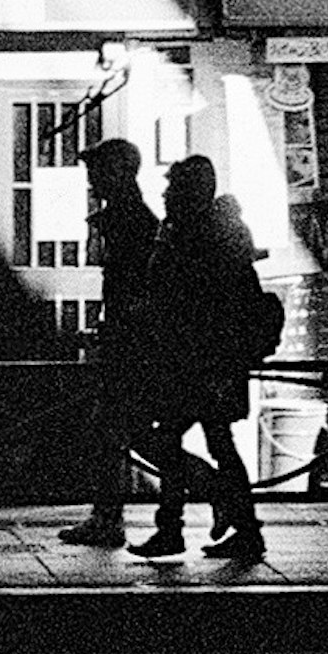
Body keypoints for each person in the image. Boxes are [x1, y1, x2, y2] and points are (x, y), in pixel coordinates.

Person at [130, 152, 271, 563]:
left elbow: (199, 302)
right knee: (206, 442)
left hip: (201, 362)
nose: (167, 194)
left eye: (173, 187)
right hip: (198, 361)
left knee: (185, 441)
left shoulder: (204, 238)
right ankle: (233, 527)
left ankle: (180, 528)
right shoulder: (193, 232)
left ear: (192, 191)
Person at [54, 137, 164, 547]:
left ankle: (109, 518)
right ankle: (108, 516)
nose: (90, 180)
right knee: (126, 432)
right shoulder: (127, 218)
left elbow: (133, 287)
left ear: (118, 173)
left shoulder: (128, 221)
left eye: (96, 171)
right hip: (128, 340)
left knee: (120, 431)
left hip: (131, 345)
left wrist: (118, 328)